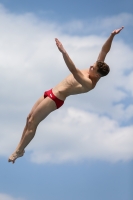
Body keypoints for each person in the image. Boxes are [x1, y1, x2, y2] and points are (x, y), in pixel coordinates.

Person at [8, 26, 124, 163]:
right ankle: (19, 148)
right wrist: (112, 36)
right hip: (51, 91)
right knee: (29, 118)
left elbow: (74, 70)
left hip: (55, 98)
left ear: (97, 74)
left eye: (93, 67)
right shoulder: (96, 68)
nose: (90, 66)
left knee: (33, 122)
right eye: (93, 64)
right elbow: (104, 50)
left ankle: (19, 151)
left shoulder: (89, 82)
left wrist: (63, 52)